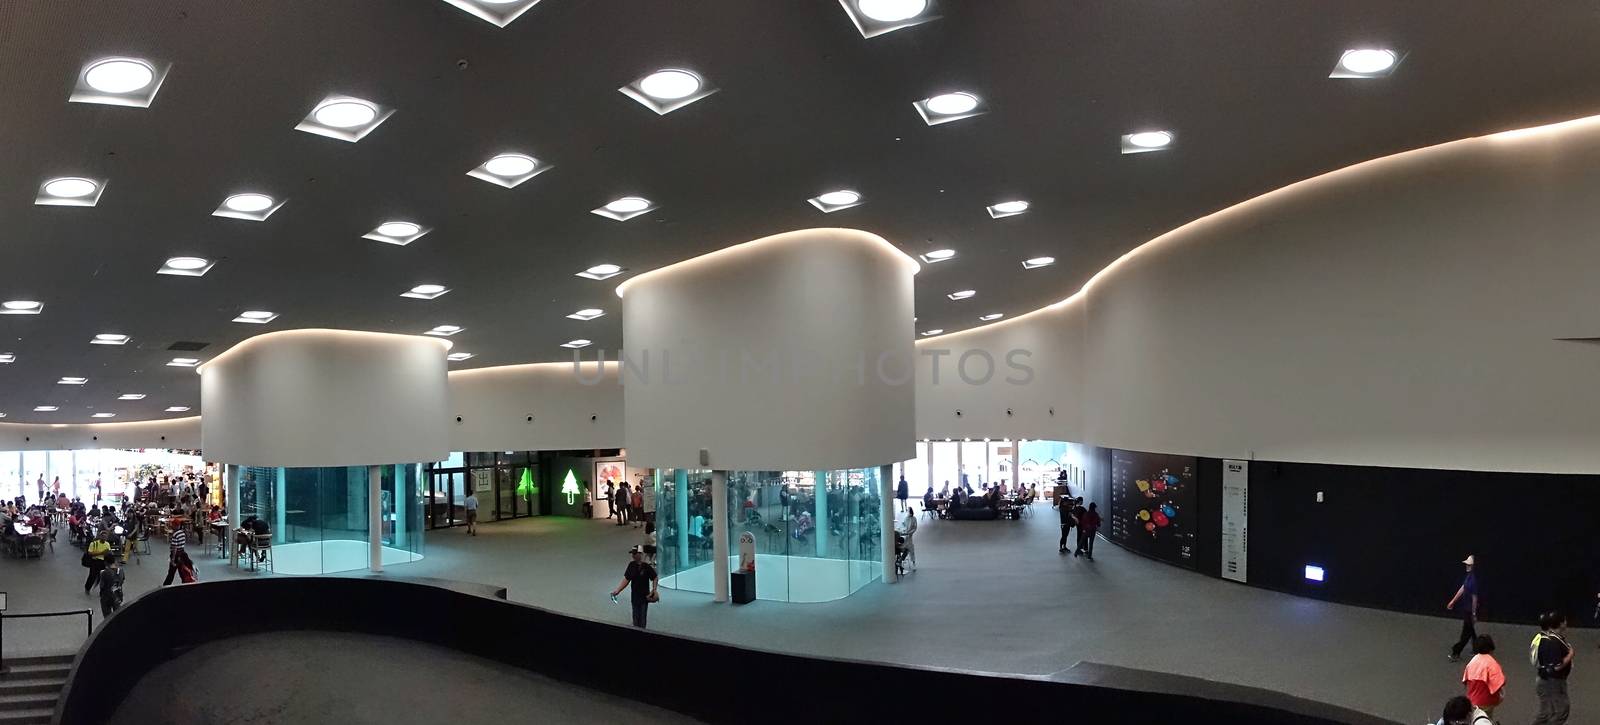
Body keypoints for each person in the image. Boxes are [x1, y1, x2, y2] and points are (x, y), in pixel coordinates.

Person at [1531, 610, 1573, 725]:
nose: (1566, 622)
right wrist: (1570, 655)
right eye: (1564, 620)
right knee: (1561, 711)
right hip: (1554, 681)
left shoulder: (1552, 638)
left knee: (1546, 712)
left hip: (1547, 679)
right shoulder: (1553, 642)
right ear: (1560, 624)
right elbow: (1557, 666)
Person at [609, 545, 658, 629]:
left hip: (644, 597)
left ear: (640, 554)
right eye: (632, 554)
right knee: (635, 617)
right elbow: (626, 579)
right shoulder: (631, 565)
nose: (633, 555)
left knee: (642, 619)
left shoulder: (646, 566)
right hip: (635, 596)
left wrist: (654, 589)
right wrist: (617, 591)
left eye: (635, 553)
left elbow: (655, 577)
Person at [1461, 634, 1504, 718]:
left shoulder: (1472, 661)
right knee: (1486, 718)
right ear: (1491, 648)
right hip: (1486, 701)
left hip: (1472, 700)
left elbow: (1465, 681)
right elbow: (1498, 685)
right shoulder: (1492, 664)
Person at [1448, 555, 1480, 662]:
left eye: (1469, 565)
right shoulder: (1468, 577)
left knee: (1465, 634)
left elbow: (1474, 598)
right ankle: (1478, 649)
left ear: (1472, 566)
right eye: (1466, 564)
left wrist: (1474, 614)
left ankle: (1456, 652)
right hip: (1466, 609)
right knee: (1470, 630)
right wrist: (1453, 601)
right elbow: (1462, 589)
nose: (1467, 566)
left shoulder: (1473, 580)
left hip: (1470, 611)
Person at [162, 517, 189, 586]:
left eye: (173, 525)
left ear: (176, 526)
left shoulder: (175, 535)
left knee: (171, 573)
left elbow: (174, 548)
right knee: (182, 572)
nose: (171, 526)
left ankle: (166, 586)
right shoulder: (183, 533)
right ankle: (185, 584)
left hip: (176, 555)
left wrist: (173, 559)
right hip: (182, 554)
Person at [84, 530, 111, 595]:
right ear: (100, 536)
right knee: (92, 576)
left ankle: (102, 591)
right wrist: (101, 553)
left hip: (102, 562)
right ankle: (87, 588)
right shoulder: (94, 543)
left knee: (102, 577)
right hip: (94, 562)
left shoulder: (107, 544)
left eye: (105, 537)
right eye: (103, 536)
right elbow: (90, 553)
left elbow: (109, 553)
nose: (104, 538)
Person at [897, 505, 918, 571]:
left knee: (911, 550)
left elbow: (914, 528)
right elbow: (903, 524)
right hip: (904, 536)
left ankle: (913, 563)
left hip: (909, 537)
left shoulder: (914, 519)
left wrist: (909, 533)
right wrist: (902, 530)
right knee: (905, 549)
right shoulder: (906, 518)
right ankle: (900, 561)